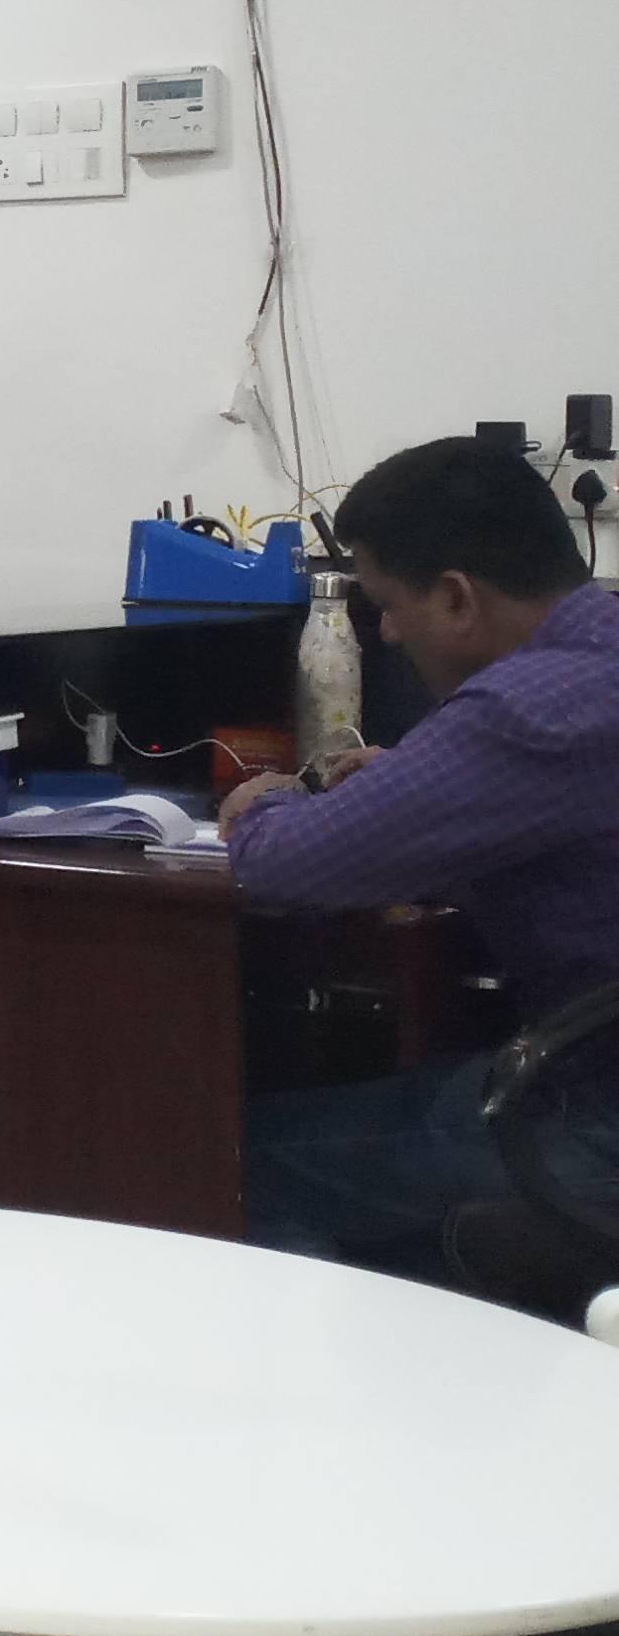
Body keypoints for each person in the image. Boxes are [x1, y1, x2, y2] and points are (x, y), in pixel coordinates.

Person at [231, 435, 619, 1282]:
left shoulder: (526, 710)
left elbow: (279, 864)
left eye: (386, 604)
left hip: (598, 1122)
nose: (387, 631)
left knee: (233, 1161)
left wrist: (269, 798)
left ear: (455, 597)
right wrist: (415, 789)